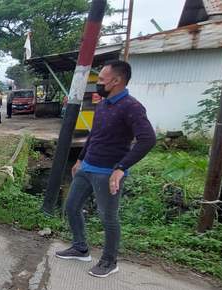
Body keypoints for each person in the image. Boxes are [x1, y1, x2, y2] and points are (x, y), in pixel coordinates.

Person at [55, 60, 156, 278]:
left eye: (101, 79)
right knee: (71, 207)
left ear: (117, 80)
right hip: (87, 167)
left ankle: (110, 261)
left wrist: (121, 169)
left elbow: (147, 139)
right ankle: (80, 248)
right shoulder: (103, 104)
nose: (98, 83)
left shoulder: (132, 106)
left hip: (107, 173)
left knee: (107, 217)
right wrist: (80, 159)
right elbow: (94, 135)